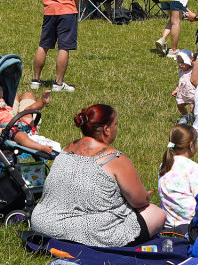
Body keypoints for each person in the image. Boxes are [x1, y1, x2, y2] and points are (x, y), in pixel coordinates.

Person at [29, 104, 167, 245]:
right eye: (115, 125)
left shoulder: (67, 148)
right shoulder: (114, 158)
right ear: (106, 129)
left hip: (42, 223)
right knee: (156, 214)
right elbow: (139, 201)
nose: (116, 129)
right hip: (78, 230)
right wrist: (146, 195)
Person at [157, 124, 198, 226]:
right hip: (191, 224)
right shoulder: (193, 168)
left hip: (168, 222)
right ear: (191, 144)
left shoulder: (164, 164)